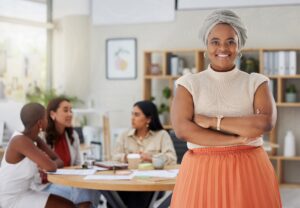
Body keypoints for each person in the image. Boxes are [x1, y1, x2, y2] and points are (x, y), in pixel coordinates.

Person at [170, 10, 282, 208]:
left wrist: (212, 121)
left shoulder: (256, 82)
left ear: (239, 47)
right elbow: (183, 129)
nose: (223, 47)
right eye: (215, 41)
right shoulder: (189, 83)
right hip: (201, 173)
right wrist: (236, 138)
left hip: (249, 171)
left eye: (231, 41)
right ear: (206, 45)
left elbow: (263, 123)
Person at [0, 102, 75, 208]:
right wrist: (47, 163)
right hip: (11, 199)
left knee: (70, 205)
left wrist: (46, 162)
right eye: (46, 118)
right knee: (68, 206)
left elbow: (59, 161)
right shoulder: (20, 140)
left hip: (26, 192)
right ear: (40, 123)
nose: (48, 121)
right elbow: (52, 167)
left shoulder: (34, 138)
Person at [112, 100, 177, 208]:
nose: (132, 118)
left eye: (137, 115)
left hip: (153, 183)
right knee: (114, 197)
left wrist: (151, 158)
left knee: (138, 195)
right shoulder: (124, 135)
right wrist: (127, 157)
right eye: (132, 114)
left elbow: (172, 158)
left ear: (148, 119)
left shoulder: (162, 135)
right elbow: (113, 157)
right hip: (126, 182)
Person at [40, 97, 99, 208]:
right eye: (65, 110)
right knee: (84, 192)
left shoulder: (73, 136)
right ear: (53, 114)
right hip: (47, 184)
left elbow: (77, 164)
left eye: (71, 110)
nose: (70, 114)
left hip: (68, 182)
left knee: (94, 189)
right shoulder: (43, 136)